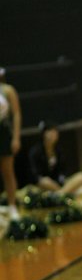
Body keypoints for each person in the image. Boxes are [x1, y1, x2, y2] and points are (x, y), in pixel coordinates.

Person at [28, 121, 82, 195]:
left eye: (55, 132)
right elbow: (35, 175)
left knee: (81, 176)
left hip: (58, 183)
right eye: (50, 131)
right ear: (44, 134)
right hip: (44, 184)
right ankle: (65, 193)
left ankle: (60, 194)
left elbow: (63, 170)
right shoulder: (36, 151)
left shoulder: (58, 150)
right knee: (45, 181)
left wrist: (62, 178)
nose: (54, 134)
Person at [0, 67, 21, 221]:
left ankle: (12, 205)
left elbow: (17, 114)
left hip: (4, 134)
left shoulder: (8, 91)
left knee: (8, 171)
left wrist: (16, 137)